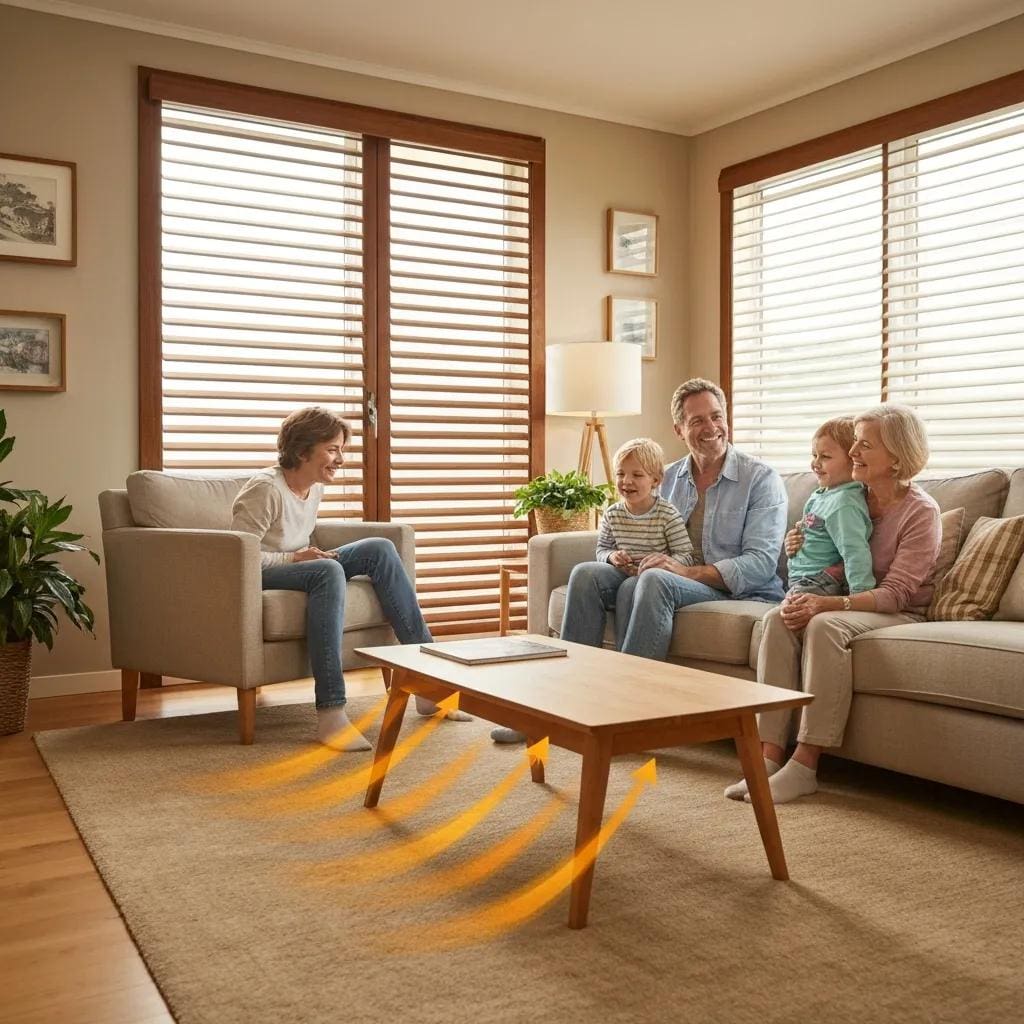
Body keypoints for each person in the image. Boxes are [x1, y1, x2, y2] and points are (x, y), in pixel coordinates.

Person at [726, 404, 940, 804]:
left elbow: (895, 594)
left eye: (865, 445)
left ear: (896, 457)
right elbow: (830, 552)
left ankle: (805, 765)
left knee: (824, 625)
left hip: (899, 613)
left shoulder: (921, 513)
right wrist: (798, 542)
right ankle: (768, 756)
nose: (854, 451)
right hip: (854, 600)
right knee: (776, 619)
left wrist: (826, 604)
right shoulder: (848, 496)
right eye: (854, 443)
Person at [231, 406, 470, 752]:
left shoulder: (312, 488)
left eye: (342, 449)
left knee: (380, 548)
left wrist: (307, 555)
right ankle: (331, 712)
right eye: (332, 449)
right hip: (260, 574)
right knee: (327, 570)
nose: (340, 459)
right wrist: (294, 558)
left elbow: (300, 540)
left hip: (301, 566)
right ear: (302, 450)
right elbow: (238, 554)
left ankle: (429, 684)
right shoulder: (265, 490)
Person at [559, 378, 788, 659]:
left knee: (654, 580)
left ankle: (630, 689)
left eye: (717, 417)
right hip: (663, 576)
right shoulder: (664, 478)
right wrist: (622, 557)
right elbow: (631, 520)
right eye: (698, 421)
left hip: (736, 592)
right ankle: (572, 684)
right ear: (679, 430)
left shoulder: (760, 479)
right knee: (586, 574)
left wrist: (684, 571)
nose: (711, 427)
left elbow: (761, 564)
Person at [491, 437, 694, 743]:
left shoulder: (667, 514)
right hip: (618, 573)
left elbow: (686, 557)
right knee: (584, 572)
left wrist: (663, 562)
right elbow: (601, 550)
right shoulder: (613, 513)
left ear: (656, 480)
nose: (627, 481)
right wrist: (612, 557)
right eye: (622, 474)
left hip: (650, 581)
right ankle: (560, 698)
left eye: (637, 475)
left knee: (632, 588)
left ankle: (621, 708)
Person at [783, 416, 875, 600]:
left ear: (853, 460)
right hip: (804, 580)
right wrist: (793, 542)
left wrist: (859, 596)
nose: (815, 463)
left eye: (825, 457)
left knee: (783, 618)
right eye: (814, 455)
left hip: (819, 581)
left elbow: (855, 552)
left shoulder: (844, 503)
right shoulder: (824, 494)